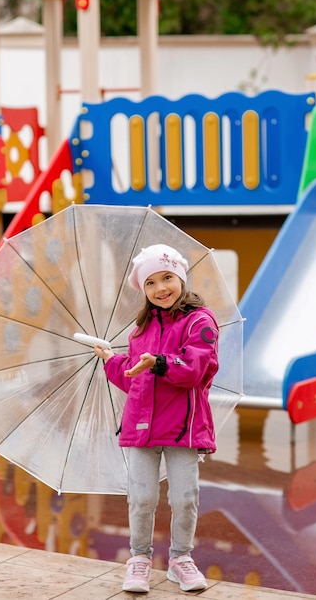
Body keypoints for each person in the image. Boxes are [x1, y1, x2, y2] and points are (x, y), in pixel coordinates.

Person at [94, 243, 219, 594]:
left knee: (184, 497)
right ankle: (139, 559)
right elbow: (135, 378)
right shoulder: (140, 329)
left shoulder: (200, 321)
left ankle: (181, 559)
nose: (160, 288)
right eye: (150, 283)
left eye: (167, 278)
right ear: (143, 290)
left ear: (180, 278)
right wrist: (110, 360)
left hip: (182, 428)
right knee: (142, 496)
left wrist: (159, 362)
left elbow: (196, 369)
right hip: (140, 427)